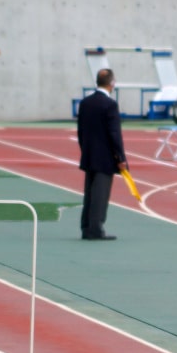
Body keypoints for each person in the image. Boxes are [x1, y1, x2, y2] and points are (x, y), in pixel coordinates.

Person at [77, 68, 128, 241]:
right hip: (105, 157)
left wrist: (85, 149)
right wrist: (120, 158)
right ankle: (96, 228)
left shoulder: (85, 103)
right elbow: (115, 134)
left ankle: (86, 226)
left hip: (89, 154)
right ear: (112, 84)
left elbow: (80, 132)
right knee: (101, 194)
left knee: (89, 193)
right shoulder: (110, 105)